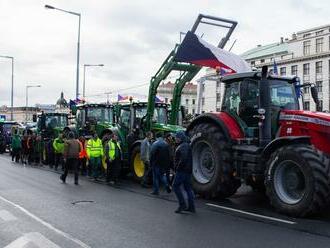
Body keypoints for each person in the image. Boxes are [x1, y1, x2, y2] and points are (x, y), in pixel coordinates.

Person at [173, 131, 195, 214]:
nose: (175, 139)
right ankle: (191, 207)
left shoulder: (183, 146)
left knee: (175, 186)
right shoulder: (186, 145)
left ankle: (182, 205)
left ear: (180, 138)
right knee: (188, 188)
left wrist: (177, 168)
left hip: (182, 171)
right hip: (187, 171)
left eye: (177, 137)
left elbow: (183, 159)